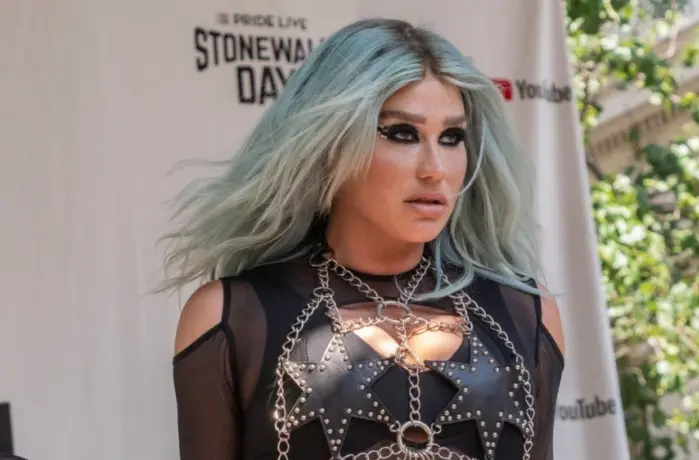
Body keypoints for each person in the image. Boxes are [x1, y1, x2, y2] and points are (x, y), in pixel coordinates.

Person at [163, 18, 565, 460]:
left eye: (452, 137)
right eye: (402, 133)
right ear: (332, 142)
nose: (436, 168)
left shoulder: (528, 314)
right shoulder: (231, 317)